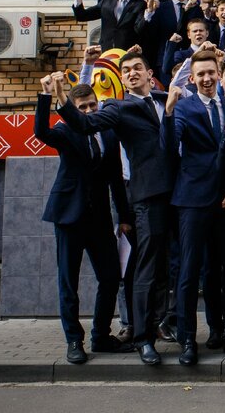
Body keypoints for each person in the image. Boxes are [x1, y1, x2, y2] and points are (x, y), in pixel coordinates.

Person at [54, 49, 174, 366]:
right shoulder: (116, 108)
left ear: (150, 74)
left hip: (181, 196)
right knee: (145, 269)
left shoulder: (169, 100)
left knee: (177, 268)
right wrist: (61, 98)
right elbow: (83, 123)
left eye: (137, 67)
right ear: (122, 79)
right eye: (126, 70)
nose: (132, 72)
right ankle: (142, 338)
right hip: (145, 197)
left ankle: (181, 332)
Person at [34, 76, 132, 364]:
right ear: (73, 108)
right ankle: (74, 341)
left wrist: (124, 217)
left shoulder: (108, 132)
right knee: (69, 281)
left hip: (99, 218)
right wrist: (46, 96)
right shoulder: (65, 130)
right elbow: (41, 132)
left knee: (111, 277)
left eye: (92, 105)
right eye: (83, 107)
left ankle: (101, 336)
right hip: (69, 216)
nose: (89, 111)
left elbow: (116, 178)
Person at [164, 52, 225, 366]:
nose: (207, 79)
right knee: (189, 271)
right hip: (193, 199)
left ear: (219, 73)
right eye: (201, 74)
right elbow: (169, 147)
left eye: (211, 72)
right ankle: (187, 340)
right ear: (193, 78)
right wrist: (169, 112)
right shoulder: (184, 107)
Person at [73, 0, 147, 52]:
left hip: (127, 52)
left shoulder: (141, 5)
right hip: (105, 50)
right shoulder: (107, 1)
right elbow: (81, 16)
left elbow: (140, 28)